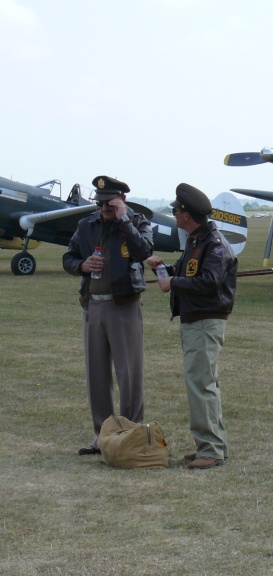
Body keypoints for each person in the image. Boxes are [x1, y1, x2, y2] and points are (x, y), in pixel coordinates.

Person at [147, 183, 237, 470]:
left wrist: (172, 283)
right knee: (204, 383)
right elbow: (192, 272)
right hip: (197, 319)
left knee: (200, 384)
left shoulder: (212, 243)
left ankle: (210, 450)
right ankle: (212, 446)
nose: (173, 213)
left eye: (175, 210)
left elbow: (209, 282)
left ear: (186, 215)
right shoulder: (198, 240)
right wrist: (167, 270)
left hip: (204, 320)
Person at [62, 175, 153, 454]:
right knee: (96, 375)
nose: (103, 209)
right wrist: (83, 265)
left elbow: (144, 251)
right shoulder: (86, 225)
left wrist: (124, 221)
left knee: (129, 374)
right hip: (94, 305)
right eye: (100, 204)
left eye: (109, 204)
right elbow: (69, 258)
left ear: (122, 200)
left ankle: (131, 432)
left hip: (123, 304)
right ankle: (102, 435)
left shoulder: (137, 222)